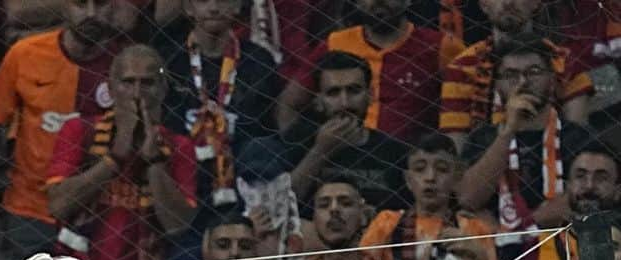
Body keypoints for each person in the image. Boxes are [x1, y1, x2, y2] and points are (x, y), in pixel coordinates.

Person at [0, 0, 119, 260]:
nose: (90, 13)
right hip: (28, 212)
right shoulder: (25, 54)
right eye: (80, 3)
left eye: (100, 4)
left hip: (101, 217)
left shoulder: (127, 66)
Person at [46, 44, 197, 260]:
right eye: (128, 82)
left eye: (147, 83)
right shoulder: (79, 130)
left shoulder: (179, 145)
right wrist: (115, 156)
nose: (137, 94)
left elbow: (177, 225)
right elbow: (58, 206)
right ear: (111, 88)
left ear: (163, 88)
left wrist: (155, 161)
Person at [237, 51, 408, 213]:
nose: (344, 103)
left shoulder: (394, 151)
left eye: (353, 91)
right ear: (318, 101)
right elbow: (277, 209)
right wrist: (320, 151)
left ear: (370, 95)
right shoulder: (294, 142)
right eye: (333, 93)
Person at [156, 0, 278, 221]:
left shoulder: (259, 61)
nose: (213, 8)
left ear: (238, 6)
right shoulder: (168, 61)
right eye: (204, 0)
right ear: (188, 7)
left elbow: (266, 130)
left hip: (241, 173)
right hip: (183, 172)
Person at [276, 0, 462, 145]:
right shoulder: (335, 43)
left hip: (409, 165)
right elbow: (289, 103)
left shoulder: (440, 46)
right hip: (343, 158)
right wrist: (297, 148)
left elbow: (465, 110)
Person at [458, 39, 591, 233]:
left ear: (552, 80)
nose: (523, 82)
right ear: (497, 85)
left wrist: (520, 230)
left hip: (563, 247)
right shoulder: (483, 138)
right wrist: (508, 131)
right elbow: (468, 198)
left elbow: (586, 198)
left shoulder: (579, 138)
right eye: (511, 74)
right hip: (498, 255)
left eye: (534, 72)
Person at [358, 133, 500, 260]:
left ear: (457, 176)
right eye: (420, 169)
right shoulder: (386, 224)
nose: (430, 177)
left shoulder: (476, 229)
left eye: (441, 169)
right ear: (409, 180)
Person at [440, 0, 590, 150]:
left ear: (536, 3)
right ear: (483, 5)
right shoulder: (462, 67)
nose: (507, 2)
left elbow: (578, 145)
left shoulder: (566, 63)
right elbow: (456, 156)